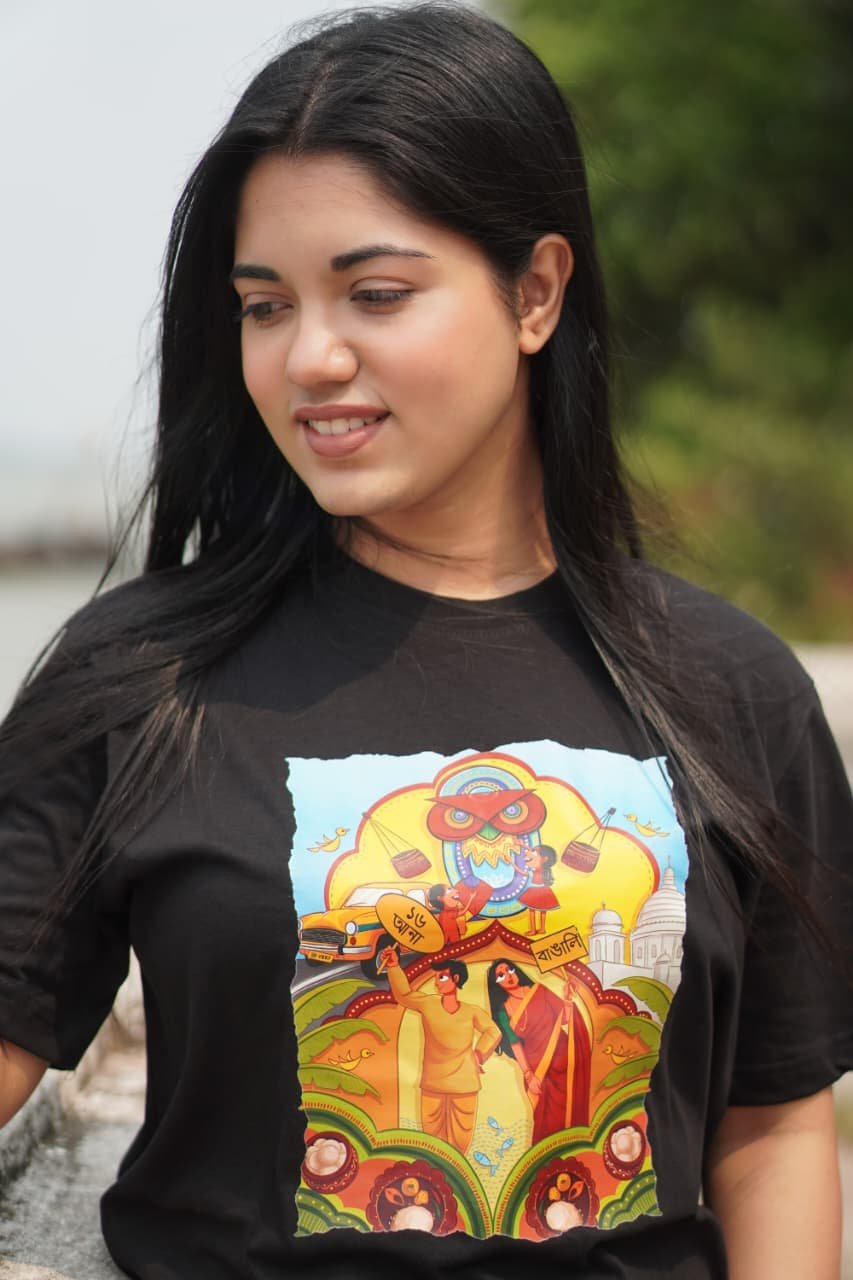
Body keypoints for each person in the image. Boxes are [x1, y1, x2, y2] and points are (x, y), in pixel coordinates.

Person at [0, 1, 850, 1275]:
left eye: (376, 293)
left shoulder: (728, 687)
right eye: (263, 306)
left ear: (536, 292)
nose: (309, 357)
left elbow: (773, 1123)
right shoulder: (142, 678)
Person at [380, 950, 500, 1153]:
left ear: (456, 979)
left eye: (442, 977)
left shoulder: (471, 1011)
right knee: (431, 1140)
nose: (436, 983)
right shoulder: (428, 1003)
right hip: (433, 1083)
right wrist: (393, 966)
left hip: (464, 1085)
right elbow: (404, 995)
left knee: (461, 1140)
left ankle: (457, 1172)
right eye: (436, 978)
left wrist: (479, 1055)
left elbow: (493, 1031)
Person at [486, 957, 591, 1139]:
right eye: (501, 975)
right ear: (496, 984)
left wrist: (567, 998)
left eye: (510, 970)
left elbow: (564, 1019)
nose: (508, 976)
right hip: (536, 1068)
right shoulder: (503, 1010)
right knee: (545, 1116)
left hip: (563, 1056)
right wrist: (529, 1074)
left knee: (570, 1104)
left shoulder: (539, 990)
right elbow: (514, 1042)